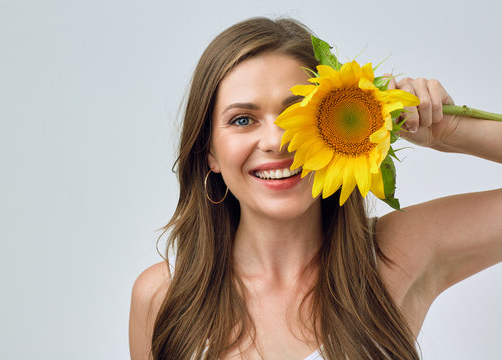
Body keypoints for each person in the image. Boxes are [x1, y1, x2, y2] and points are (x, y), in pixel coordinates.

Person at [129, 17, 502, 360]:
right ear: (209, 151)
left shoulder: (399, 254)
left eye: (299, 112)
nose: (276, 141)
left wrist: (450, 131)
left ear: (338, 127)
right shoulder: (162, 296)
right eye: (243, 119)